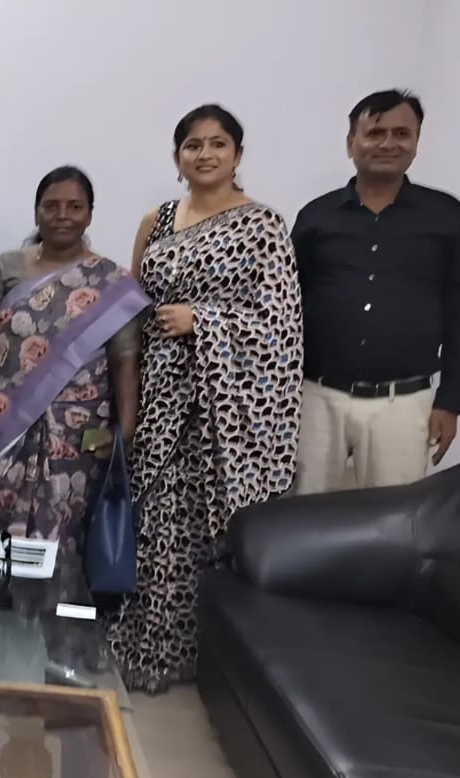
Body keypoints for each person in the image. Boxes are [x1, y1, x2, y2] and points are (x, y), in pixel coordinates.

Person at [110, 104, 303, 694]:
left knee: (205, 526)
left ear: (238, 155)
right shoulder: (158, 220)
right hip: (160, 392)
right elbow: (134, 303)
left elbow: (281, 327)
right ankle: (150, 643)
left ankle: (206, 657)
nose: (205, 154)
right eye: (193, 145)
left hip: (226, 409)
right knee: (155, 520)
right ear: (177, 158)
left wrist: (204, 321)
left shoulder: (264, 227)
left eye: (219, 143)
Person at [0, 166, 148, 667]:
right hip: (7, 429)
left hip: (78, 438)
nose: (62, 215)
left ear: (90, 214)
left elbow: (126, 361)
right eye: (51, 206)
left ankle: (61, 649)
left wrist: (124, 432)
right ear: (37, 212)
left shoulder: (110, 282)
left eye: (74, 207)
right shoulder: (7, 269)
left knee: (62, 538)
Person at [291, 90, 460, 492]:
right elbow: (287, 307)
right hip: (316, 398)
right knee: (301, 513)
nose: (388, 143)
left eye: (402, 133)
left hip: (404, 402)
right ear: (351, 143)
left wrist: (450, 401)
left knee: (393, 519)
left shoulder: (445, 216)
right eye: (375, 133)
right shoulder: (315, 217)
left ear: (416, 142)